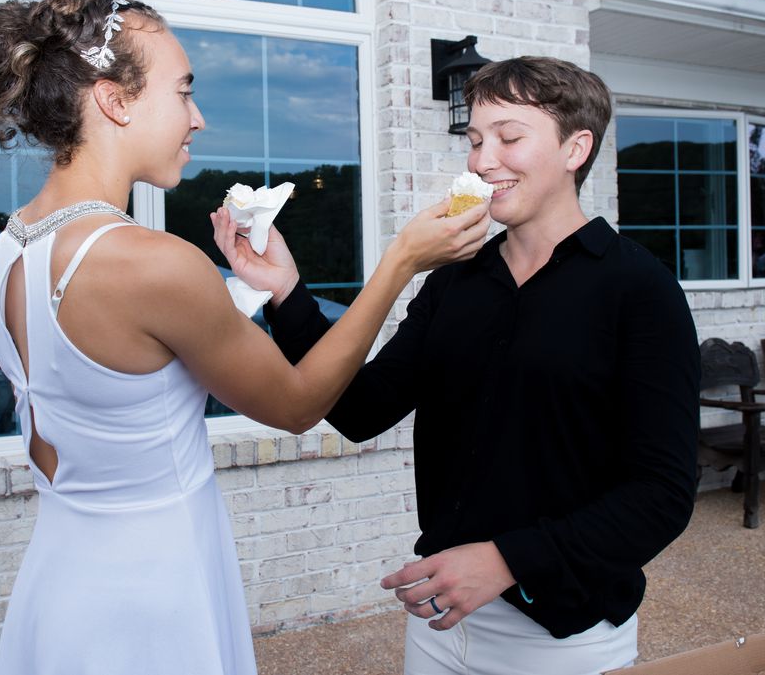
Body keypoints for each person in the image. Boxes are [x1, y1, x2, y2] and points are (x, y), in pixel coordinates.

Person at [0, 0, 490, 675]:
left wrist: (267, 292)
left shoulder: (11, 247)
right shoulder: (155, 265)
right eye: (182, 93)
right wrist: (402, 261)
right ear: (115, 101)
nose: (198, 117)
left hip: (58, 586)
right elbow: (299, 406)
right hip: (155, 594)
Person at [214, 57, 700, 675]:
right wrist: (288, 293)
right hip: (441, 624)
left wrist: (506, 560)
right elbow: (362, 409)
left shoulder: (639, 288)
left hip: (567, 635)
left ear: (576, 148)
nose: (481, 160)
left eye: (509, 138)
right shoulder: (455, 283)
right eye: (474, 140)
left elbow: (662, 495)